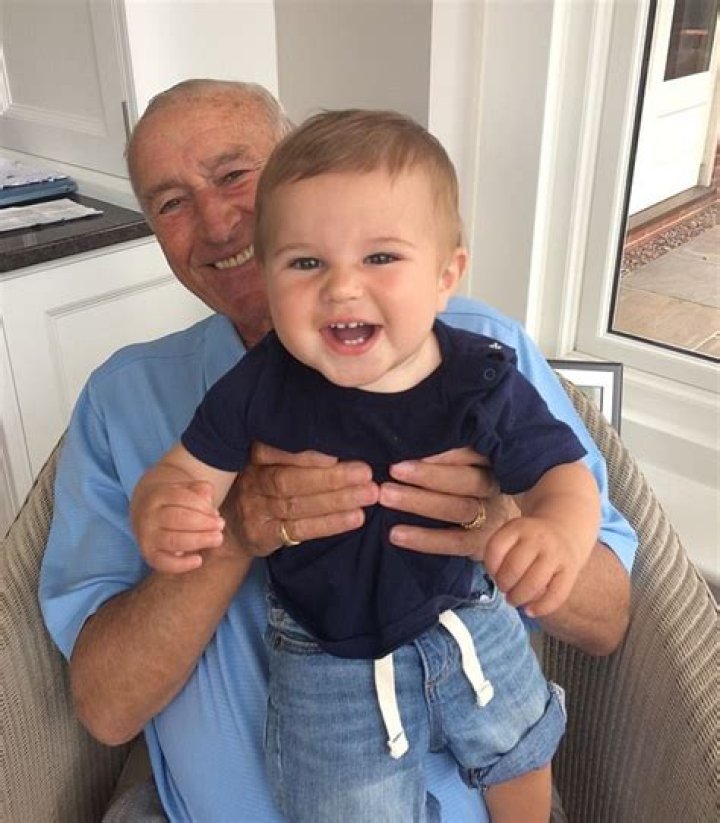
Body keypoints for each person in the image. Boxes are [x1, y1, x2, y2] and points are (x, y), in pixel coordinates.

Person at [39, 80, 635, 823]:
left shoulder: (481, 357)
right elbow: (105, 707)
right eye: (171, 202)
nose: (218, 223)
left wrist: (502, 528)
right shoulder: (123, 398)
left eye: (234, 175)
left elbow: (607, 618)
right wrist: (231, 533)